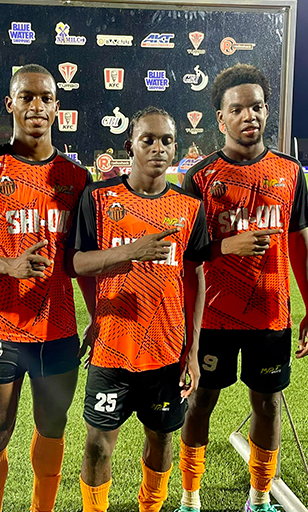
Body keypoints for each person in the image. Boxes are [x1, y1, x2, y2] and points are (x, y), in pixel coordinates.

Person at [177, 63, 308, 512]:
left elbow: (300, 243)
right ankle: (190, 498)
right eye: (237, 109)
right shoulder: (198, 177)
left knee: (269, 407)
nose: (249, 116)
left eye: (256, 107)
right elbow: (185, 257)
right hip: (213, 317)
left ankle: (259, 499)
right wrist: (225, 245)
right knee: (199, 403)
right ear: (220, 119)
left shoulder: (290, 172)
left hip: (270, 316)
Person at [0, 64, 95, 512]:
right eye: (26, 97)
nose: (36, 106)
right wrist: (6, 266)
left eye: (45, 98)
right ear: (10, 103)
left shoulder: (77, 179)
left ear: (58, 106)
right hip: (1, 328)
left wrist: (98, 316)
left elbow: (83, 264)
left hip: (58, 331)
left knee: (53, 428)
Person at [72, 107, 208, 512]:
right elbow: (77, 263)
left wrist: (194, 350)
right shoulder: (98, 198)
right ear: (130, 145)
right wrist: (131, 253)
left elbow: (195, 277)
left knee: (161, 439)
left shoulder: (189, 207)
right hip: (112, 349)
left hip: (167, 351)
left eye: (166, 140)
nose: (158, 148)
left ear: (175, 148)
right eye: (148, 139)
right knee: (97, 445)